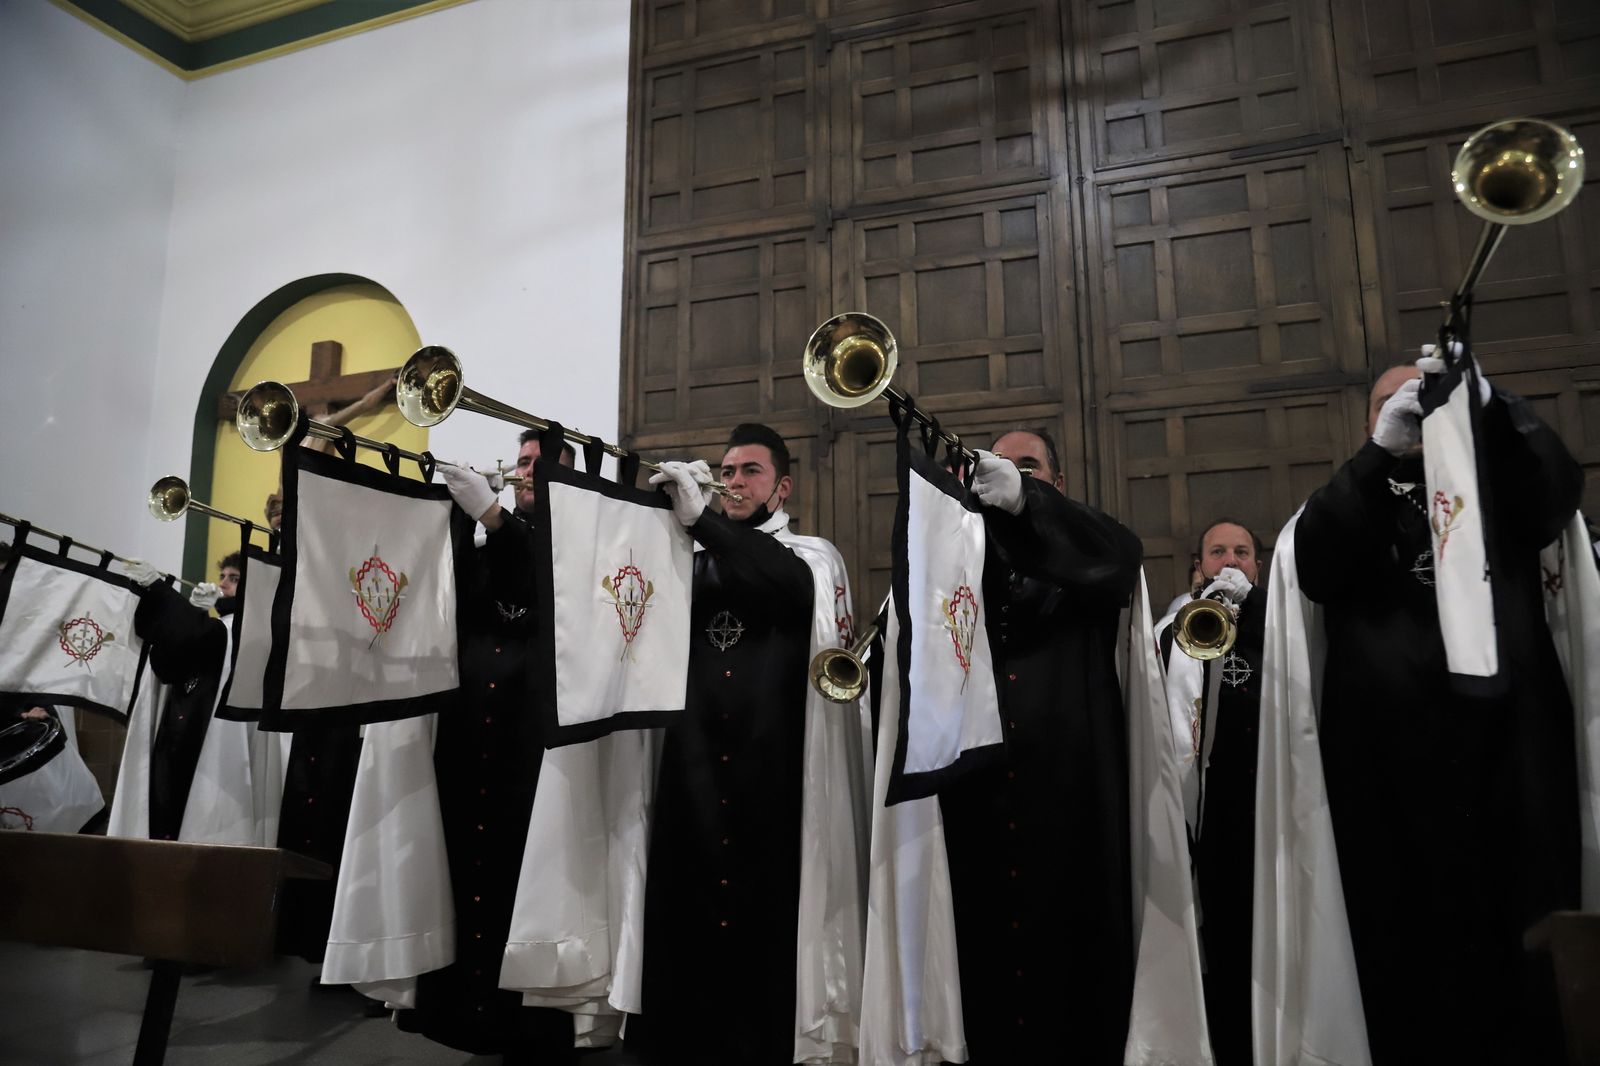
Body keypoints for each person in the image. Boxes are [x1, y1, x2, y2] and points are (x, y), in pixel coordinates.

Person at [1285, 356, 1585, 1063]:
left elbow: (1556, 495)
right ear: (1371, 422)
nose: (1412, 408)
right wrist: (1378, 455)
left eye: (1425, 397)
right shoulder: (1351, 495)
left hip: (1507, 759)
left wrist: (1496, 406)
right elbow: (1320, 565)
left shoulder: (1499, 485)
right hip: (1385, 773)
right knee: (1399, 953)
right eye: (1392, 403)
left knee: (1519, 948)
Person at [628, 422, 864, 1066]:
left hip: (777, 772)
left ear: (782, 486)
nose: (733, 482)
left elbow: (783, 584)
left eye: (749, 472)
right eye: (726, 472)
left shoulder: (813, 554)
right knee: (688, 915)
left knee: (768, 923)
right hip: (693, 767)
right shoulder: (691, 552)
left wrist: (705, 521)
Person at [924, 427, 1148, 1064]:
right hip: (980, 799)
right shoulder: (957, 557)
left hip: (1071, 799)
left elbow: (1122, 555)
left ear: (1056, 481)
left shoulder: (1082, 544)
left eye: (1030, 466)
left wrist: (1028, 502)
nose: (1015, 473)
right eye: (1005, 465)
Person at [391, 430, 579, 1062]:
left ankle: (526, 1027)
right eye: (521, 461)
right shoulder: (490, 537)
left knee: (520, 881)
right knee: (461, 867)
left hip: (534, 743)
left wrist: (494, 518)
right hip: (470, 730)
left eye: (537, 464)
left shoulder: (576, 539)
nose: (524, 471)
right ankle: (459, 1010)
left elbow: (538, 580)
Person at [1156, 518, 1265, 1066]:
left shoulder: (1276, 625)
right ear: (1197, 568)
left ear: (1257, 566)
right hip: (1202, 817)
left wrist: (1259, 608)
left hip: (1262, 815)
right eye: (1217, 552)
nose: (1229, 562)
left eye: (1242, 552)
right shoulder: (1172, 628)